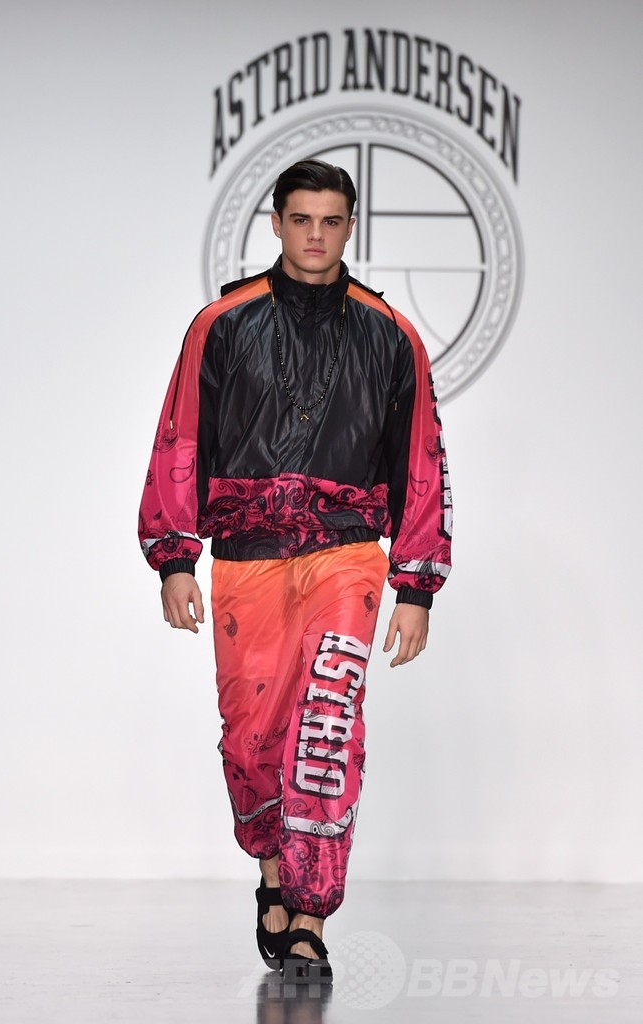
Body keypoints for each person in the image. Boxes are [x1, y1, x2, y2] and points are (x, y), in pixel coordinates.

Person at [138, 159, 452, 983]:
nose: (316, 235)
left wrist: (416, 586)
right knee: (251, 740)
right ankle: (273, 872)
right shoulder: (222, 323)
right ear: (276, 223)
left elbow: (419, 460)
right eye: (302, 219)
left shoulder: (391, 334)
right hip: (246, 557)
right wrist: (174, 557)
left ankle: (310, 914)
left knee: (327, 728)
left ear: (351, 226)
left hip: (346, 553)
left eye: (332, 220)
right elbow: (180, 438)